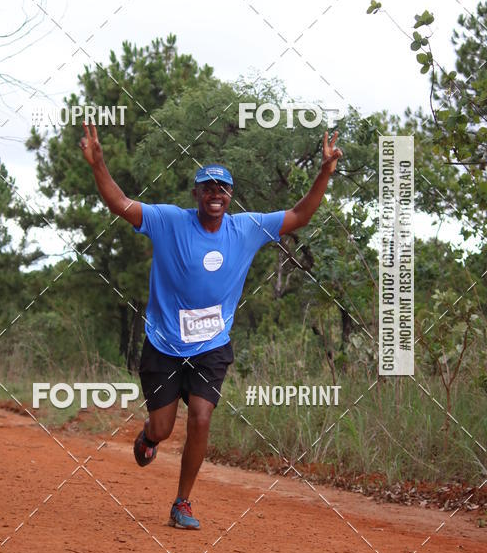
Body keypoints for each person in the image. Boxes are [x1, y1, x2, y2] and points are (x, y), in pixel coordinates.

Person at [80, 121, 342, 529]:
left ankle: (182, 502)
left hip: (210, 346)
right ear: (196, 194)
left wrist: (325, 172)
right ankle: (149, 435)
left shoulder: (247, 228)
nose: (214, 195)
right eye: (207, 188)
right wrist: (98, 164)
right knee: (165, 428)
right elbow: (120, 203)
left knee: (202, 417)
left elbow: (300, 214)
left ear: (230, 196)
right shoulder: (169, 221)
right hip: (164, 345)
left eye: (222, 189)